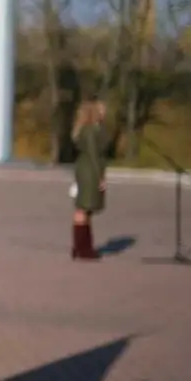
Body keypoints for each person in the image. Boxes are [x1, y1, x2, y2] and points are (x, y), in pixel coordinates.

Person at [71, 99, 108, 260]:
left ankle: (80, 247)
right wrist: (100, 176)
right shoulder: (91, 130)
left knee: (85, 208)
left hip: (84, 168)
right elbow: (93, 154)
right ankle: (83, 248)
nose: (104, 113)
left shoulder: (84, 129)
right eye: (102, 110)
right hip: (90, 171)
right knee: (84, 207)